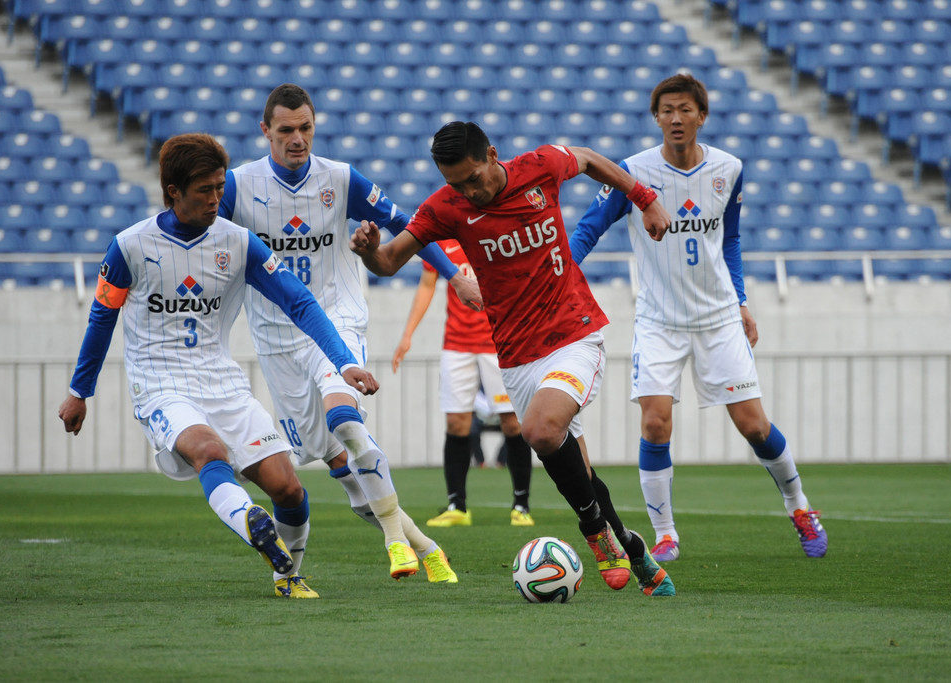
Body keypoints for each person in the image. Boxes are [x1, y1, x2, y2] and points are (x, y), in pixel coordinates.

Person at [351, 121, 676, 597]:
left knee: (540, 431)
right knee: (578, 471)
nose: (468, 190)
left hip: (574, 332)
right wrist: (368, 252)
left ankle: (596, 534)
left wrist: (645, 198)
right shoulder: (446, 207)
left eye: (473, 177)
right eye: (455, 183)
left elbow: (586, 157)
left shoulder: (539, 167)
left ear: (493, 154)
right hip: (517, 357)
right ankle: (632, 547)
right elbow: (389, 261)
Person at [58, 133, 382, 599]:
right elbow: (101, 318)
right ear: (173, 191)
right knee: (208, 450)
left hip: (222, 380)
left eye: (218, 187)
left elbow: (302, 304)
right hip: (160, 383)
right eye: (204, 191)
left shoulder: (240, 243)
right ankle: (251, 523)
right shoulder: (129, 247)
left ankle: (287, 575)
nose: (216, 199)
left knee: (288, 489)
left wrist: (344, 362)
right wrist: (79, 391)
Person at [218, 84, 475, 583]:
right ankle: (426, 547)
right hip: (276, 340)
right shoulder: (236, 186)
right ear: (265, 131)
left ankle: (396, 544)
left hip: (336, 319)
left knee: (346, 420)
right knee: (343, 470)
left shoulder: (340, 178)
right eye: (287, 130)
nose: (298, 139)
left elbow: (411, 224)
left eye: (306, 128)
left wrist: (455, 275)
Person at [569, 73, 827, 561]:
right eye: (666, 110)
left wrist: (742, 301)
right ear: (657, 118)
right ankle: (665, 534)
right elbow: (587, 230)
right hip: (658, 321)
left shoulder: (729, 169)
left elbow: (728, 239)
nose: (675, 118)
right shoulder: (632, 172)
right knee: (655, 423)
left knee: (753, 425)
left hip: (718, 318)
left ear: (701, 116)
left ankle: (800, 507)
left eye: (685, 109)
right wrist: (558, 276)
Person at [391, 238, 535, 527]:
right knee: (457, 422)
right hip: (456, 345)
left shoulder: (495, 232)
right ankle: (457, 506)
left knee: (512, 422)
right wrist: (407, 335)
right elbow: (427, 284)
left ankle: (521, 505)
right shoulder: (442, 239)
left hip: (499, 344)